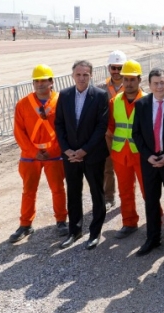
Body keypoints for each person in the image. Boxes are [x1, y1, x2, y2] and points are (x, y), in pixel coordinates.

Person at [9, 64, 68, 243]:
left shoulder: (61, 101)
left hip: (54, 154)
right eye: (36, 81)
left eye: (43, 80)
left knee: (57, 189)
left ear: (51, 82)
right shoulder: (23, 104)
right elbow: (19, 132)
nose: (40, 84)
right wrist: (34, 152)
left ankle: (61, 221)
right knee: (28, 191)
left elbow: (65, 129)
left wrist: (51, 150)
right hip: (30, 156)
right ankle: (25, 224)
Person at [54, 60, 110, 250]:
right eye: (78, 74)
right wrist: (67, 150)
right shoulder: (65, 95)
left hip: (93, 155)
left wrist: (84, 150)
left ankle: (94, 233)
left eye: (85, 74)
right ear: (73, 76)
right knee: (73, 192)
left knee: (97, 193)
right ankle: (74, 230)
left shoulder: (100, 96)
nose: (82, 78)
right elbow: (59, 124)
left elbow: (101, 127)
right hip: (70, 156)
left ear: (91, 75)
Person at [132, 68, 164, 256]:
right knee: (151, 201)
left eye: (162, 82)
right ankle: (152, 238)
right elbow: (136, 134)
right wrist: (147, 155)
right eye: (155, 83)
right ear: (149, 85)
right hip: (150, 162)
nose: (159, 86)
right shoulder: (142, 104)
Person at [104, 60, 147, 239]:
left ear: (139, 80)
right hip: (120, 154)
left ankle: (156, 222)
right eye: (126, 79)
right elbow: (109, 130)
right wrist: (111, 152)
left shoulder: (147, 101)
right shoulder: (115, 102)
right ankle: (129, 222)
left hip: (141, 154)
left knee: (148, 191)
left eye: (132, 79)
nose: (128, 83)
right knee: (125, 190)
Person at [97, 50, 127, 209]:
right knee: (107, 168)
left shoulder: (131, 86)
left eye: (119, 68)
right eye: (113, 68)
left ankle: (127, 198)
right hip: (107, 135)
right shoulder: (101, 88)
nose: (116, 72)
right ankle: (109, 197)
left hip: (127, 136)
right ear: (109, 68)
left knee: (127, 170)